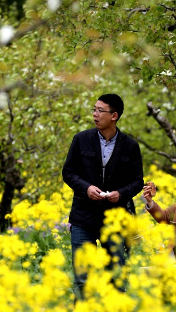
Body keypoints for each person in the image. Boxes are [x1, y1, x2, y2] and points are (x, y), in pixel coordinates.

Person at [62, 93, 144, 299]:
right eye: (94, 110)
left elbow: (137, 181)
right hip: (83, 218)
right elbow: (69, 172)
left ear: (114, 115)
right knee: (83, 277)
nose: (95, 115)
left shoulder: (130, 146)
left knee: (115, 277)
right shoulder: (81, 140)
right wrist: (86, 188)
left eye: (100, 111)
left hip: (115, 220)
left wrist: (121, 194)